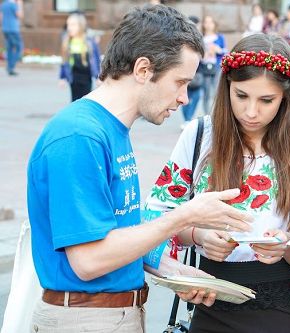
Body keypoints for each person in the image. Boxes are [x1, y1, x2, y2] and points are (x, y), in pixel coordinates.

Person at [27, 5, 253, 332]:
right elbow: (89, 261)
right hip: (86, 319)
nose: (184, 98)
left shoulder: (109, 129)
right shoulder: (80, 136)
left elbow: (117, 231)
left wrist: (170, 267)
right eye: (180, 82)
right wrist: (185, 215)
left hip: (111, 314)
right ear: (143, 69)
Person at [144, 33, 290, 333]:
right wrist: (199, 234)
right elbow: (157, 215)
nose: (251, 112)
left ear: (286, 97)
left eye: (267, 100)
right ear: (226, 87)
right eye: (241, 95)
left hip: (277, 304)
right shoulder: (199, 136)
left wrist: (285, 245)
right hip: (208, 295)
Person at [59, 13, 101, 101]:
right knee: (74, 100)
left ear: (81, 26)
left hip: (86, 77)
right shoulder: (67, 41)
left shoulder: (89, 42)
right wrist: (62, 77)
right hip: (73, 77)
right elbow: (64, 61)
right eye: (68, 25)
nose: (69, 27)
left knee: (85, 99)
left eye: (73, 25)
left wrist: (98, 77)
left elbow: (96, 60)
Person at [180, 15, 204, 129]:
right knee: (186, 95)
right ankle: (187, 119)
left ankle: (187, 119)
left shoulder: (200, 38)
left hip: (198, 71)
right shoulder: (185, 38)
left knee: (195, 95)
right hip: (188, 71)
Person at [0, 0, 23, 76]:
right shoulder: (13, 5)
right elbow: (20, 15)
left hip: (5, 29)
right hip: (13, 29)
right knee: (19, 48)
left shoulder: (3, 4)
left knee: (9, 48)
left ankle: (9, 66)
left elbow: (1, 17)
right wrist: (20, 5)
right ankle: (11, 67)